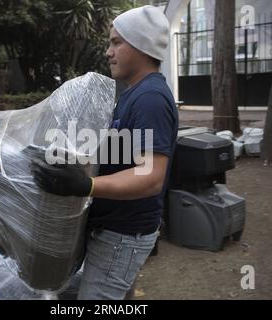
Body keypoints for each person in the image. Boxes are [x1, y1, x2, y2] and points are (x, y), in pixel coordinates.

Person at [31, 6, 178, 299]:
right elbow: (120, 156)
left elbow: (150, 177)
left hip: (124, 234)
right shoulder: (131, 93)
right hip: (114, 227)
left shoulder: (149, 98)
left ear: (141, 44)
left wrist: (86, 185)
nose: (108, 51)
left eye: (116, 42)